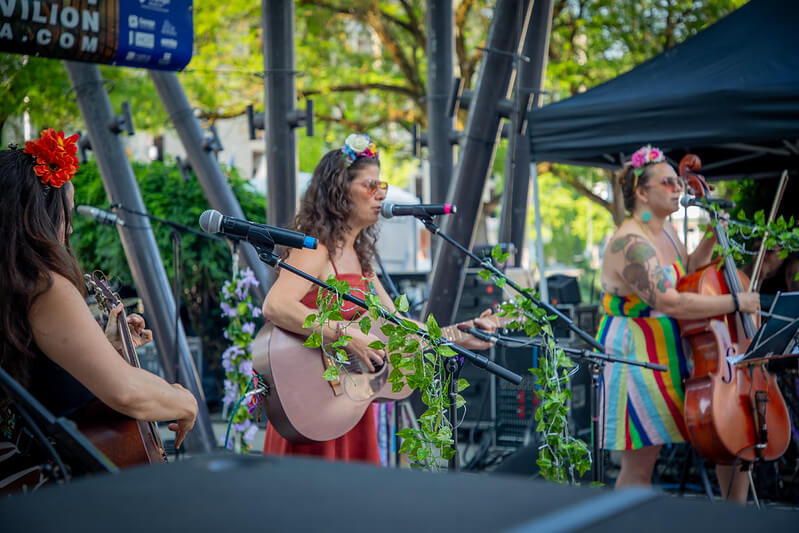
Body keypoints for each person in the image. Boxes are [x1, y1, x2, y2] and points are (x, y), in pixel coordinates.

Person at [261, 133, 496, 464]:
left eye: (382, 187)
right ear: (339, 190)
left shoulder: (361, 260)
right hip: (311, 398)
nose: (380, 195)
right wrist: (344, 334)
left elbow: (400, 327)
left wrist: (458, 335)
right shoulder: (314, 248)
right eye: (370, 186)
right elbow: (276, 305)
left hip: (348, 400)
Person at [0, 130, 198, 479]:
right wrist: (183, 399)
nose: (70, 228)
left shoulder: (13, 283)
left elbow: (35, 376)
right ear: (40, 215)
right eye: (66, 213)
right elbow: (126, 391)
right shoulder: (43, 285)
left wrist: (104, 350)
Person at [597, 145, 760, 503]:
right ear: (642, 191)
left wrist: (711, 239)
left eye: (677, 182)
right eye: (668, 183)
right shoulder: (630, 242)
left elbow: (685, 272)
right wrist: (737, 301)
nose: (678, 188)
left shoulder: (667, 230)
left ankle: (736, 519)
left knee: (725, 435)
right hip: (636, 350)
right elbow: (669, 299)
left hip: (670, 344)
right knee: (641, 460)